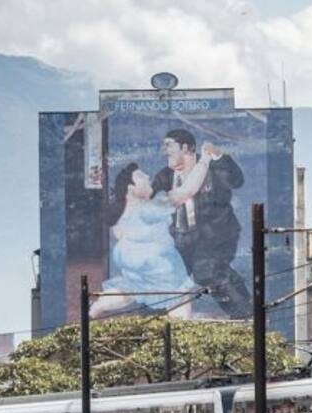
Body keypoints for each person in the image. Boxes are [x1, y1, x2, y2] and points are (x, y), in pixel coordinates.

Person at [90, 158, 215, 320]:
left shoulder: (122, 210)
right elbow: (188, 190)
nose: (148, 177)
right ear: (131, 188)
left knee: (130, 288)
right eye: (142, 176)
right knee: (179, 293)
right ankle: (181, 327)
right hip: (156, 261)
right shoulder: (150, 207)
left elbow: (119, 233)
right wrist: (204, 160)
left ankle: (94, 309)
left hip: (128, 257)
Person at [151, 128, 251, 319]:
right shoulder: (165, 176)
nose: (165, 151)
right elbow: (151, 200)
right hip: (180, 237)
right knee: (166, 275)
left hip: (214, 234)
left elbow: (237, 180)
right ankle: (155, 323)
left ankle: (246, 314)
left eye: (169, 146)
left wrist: (219, 155)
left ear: (186, 148)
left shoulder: (211, 169)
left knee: (208, 271)